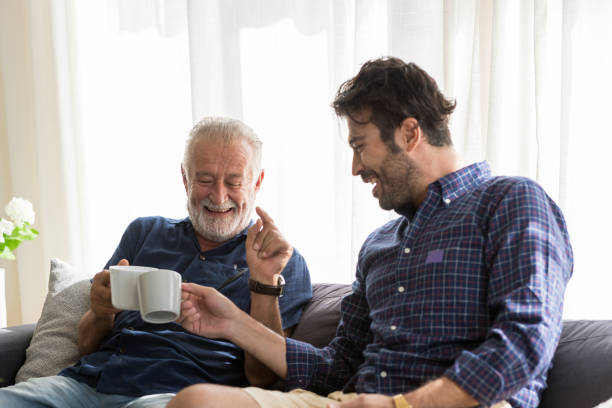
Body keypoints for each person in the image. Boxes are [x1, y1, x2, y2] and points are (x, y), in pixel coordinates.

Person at [165, 58, 573, 408]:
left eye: (360, 146)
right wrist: (234, 322)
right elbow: (338, 367)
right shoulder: (381, 243)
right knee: (197, 401)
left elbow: (525, 343)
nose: (356, 168)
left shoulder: (511, 202)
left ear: (410, 133)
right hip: (358, 400)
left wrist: (401, 405)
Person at [0, 117, 312, 407]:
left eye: (234, 181)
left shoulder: (280, 261)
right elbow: (87, 345)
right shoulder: (145, 232)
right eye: (205, 179)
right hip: (87, 384)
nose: (219, 196)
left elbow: (264, 377)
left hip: (176, 396)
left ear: (257, 182)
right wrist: (100, 311)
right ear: (184, 177)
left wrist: (263, 284)